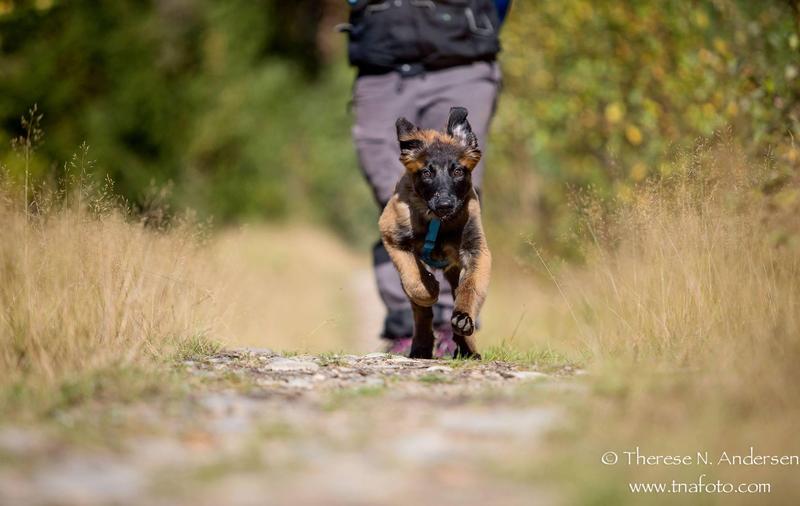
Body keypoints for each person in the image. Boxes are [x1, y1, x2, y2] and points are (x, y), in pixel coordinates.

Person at [343, 0, 510, 356]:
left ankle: (456, 327)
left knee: (457, 191)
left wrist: (478, 21)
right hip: (381, 65)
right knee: (393, 199)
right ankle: (409, 328)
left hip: (461, 60)